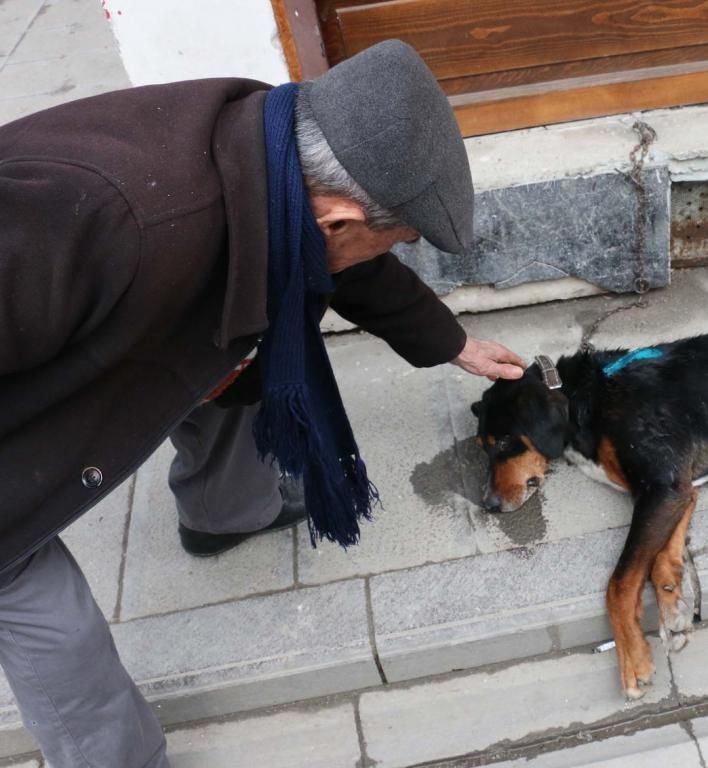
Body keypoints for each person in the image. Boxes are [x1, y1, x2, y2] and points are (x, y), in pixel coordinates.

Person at [0, 40, 526, 766]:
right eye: (392, 240)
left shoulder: (269, 147)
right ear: (338, 218)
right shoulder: (110, 224)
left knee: (239, 364)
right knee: (55, 625)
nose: (385, 253)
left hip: (104, 325)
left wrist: (450, 343)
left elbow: (354, 272)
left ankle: (225, 511)